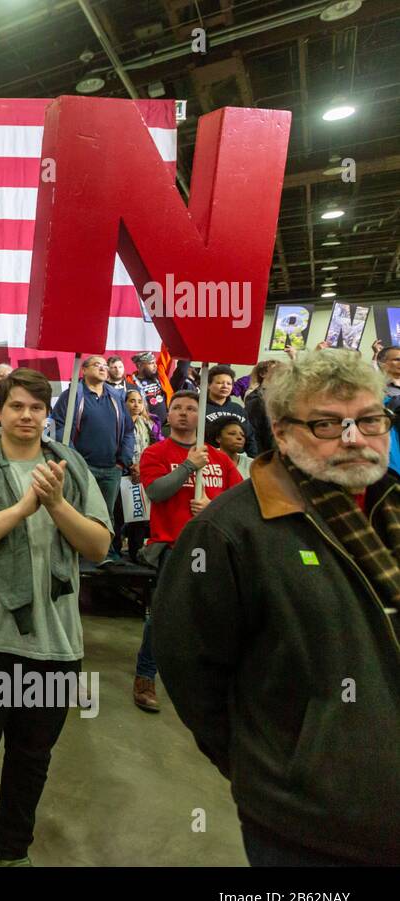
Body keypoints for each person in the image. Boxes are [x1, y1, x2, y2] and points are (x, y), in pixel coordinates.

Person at [153, 349, 399, 866]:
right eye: (327, 425)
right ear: (283, 434)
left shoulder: (392, 504)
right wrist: (274, 767)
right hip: (308, 827)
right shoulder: (229, 532)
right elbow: (190, 667)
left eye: (370, 419)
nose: (355, 438)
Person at [0, 368, 111, 867]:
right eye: (17, 406)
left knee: (31, 762)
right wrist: (25, 505)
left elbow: (97, 545)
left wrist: (55, 505)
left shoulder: (70, 470)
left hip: (53, 649)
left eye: (36, 407)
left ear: (46, 413)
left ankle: (13, 854)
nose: (26, 415)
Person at [131, 391, 242, 713]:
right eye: (176, 408)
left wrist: (213, 507)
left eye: (191, 408)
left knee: (211, 616)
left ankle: (203, 682)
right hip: (173, 546)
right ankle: (145, 676)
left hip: (211, 548)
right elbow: (156, 491)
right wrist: (187, 468)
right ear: (168, 415)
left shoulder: (218, 458)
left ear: (200, 415)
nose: (183, 413)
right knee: (162, 616)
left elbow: (238, 498)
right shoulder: (156, 453)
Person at [50, 355, 134, 559]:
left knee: (106, 514)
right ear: (84, 370)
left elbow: (128, 431)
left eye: (105, 366)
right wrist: (74, 461)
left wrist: (122, 460)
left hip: (111, 469)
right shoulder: (72, 396)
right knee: (78, 511)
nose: (103, 368)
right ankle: (75, 554)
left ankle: (105, 553)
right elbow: (59, 427)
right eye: (97, 365)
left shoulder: (116, 397)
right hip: (82, 468)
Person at [123, 388, 161, 562]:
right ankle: (114, 550)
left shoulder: (148, 424)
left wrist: (142, 466)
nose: (136, 404)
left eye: (139, 401)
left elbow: (154, 447)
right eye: (132, 401)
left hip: (143, 472)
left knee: (138, 515)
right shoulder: (120, 422)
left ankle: (136, 553)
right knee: (118, 515)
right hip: (124, 472)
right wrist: (130, 465)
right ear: (124, 403)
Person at [202, 364, 254, 452]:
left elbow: (250, 437)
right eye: (219, 383)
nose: (225, 386)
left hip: (238, 459)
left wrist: (252, 459)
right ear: (208, 385)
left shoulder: (238, 409)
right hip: (209, 458)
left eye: (229, 383)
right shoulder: (199, 408)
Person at [242, 359, 279, 456]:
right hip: (265, 453)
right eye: (275, 370)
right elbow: (253, 432)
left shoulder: (281, 396)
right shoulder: (255, 398)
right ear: (263, 373)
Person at [126, 351, 167, 428]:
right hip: (147, 427)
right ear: (140, 365)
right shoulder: (130, 382)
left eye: (155, 363)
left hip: (166, 425)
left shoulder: (159, 376)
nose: (155, 366)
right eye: (151, 363)